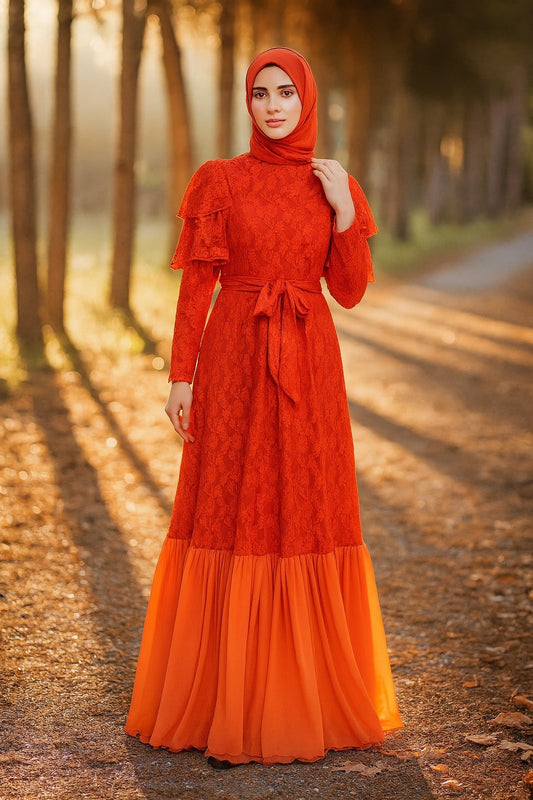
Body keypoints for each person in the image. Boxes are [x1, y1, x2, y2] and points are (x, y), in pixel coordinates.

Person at [125, 46, 402, 769]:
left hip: (308, 362)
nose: (272, 105)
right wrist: (180, 375)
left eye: (285, 92)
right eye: (259, 92)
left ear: (306, 101)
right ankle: (222, 694)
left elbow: (349, 289)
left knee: (304, 507)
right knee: (226, 508)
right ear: (247, 103)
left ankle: (300, 694)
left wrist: (344, 211)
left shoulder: (333, 182)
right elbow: (196, 286)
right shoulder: (220, 180)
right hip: (234, 359)